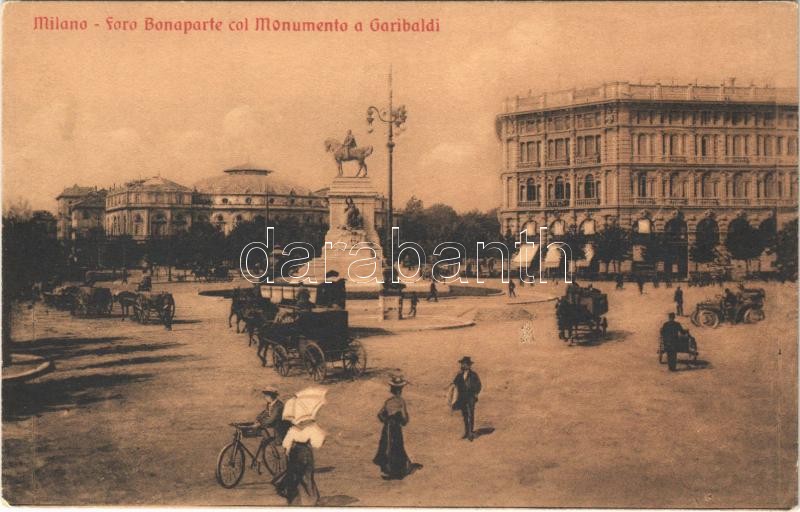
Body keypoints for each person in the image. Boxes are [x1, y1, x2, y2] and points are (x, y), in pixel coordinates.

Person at [373, 374, 422, 480]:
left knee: (386, 446)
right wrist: (401, 422)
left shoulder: (388, 401)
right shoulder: (401, 401)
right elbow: (405, 418)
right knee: (396, 447)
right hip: (395, 428)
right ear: (400, 390)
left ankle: (385, 470)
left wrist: (386, 421)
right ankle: (396, 471)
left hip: (386, 428)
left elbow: (380, 414)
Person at [275, 418, 326, 506]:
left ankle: (296, 500)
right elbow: (316, 444)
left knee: (296, 476)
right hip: (307, 452)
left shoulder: (293, 429)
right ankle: (312, 499)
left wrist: (287, 452)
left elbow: (286, 444)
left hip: (295, 452)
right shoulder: (311, 428)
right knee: (308, 475)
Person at [451, 356, 482, 441]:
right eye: (462, 364)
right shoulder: (459, 375)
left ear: (468, 365)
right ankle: (466, 432)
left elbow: (479, 385)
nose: (462, 365)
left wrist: (475, 393)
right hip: (462, 398)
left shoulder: (473, 375)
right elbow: (454, 384)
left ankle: (470, 433)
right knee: (465, 415)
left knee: (470, 415)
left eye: (464, 364)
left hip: (470, 398)